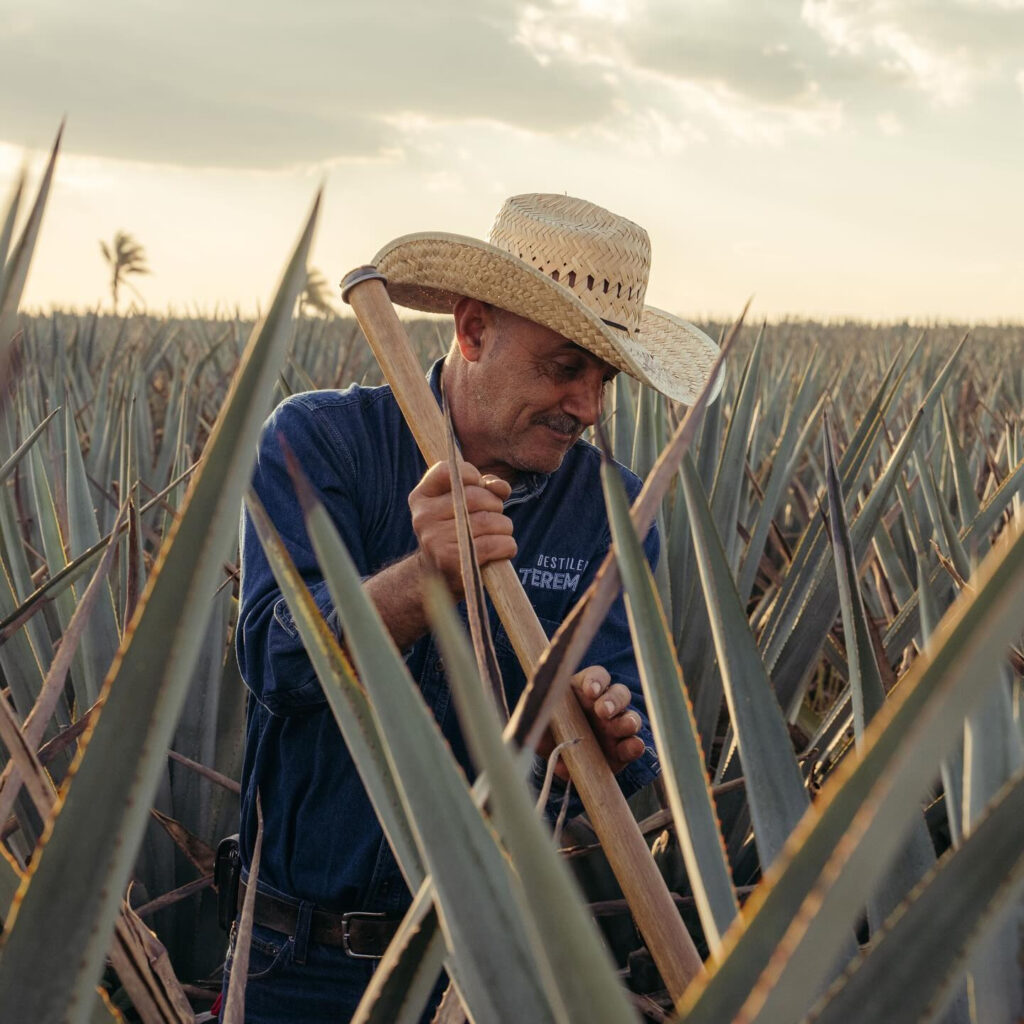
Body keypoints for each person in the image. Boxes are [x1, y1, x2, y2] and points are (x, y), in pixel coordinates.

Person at [219, 194, 721, 1022]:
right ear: (475, 329)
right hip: (297, 961)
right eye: (565, 367)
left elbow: (628, 747)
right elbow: (277, 663)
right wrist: (427, 579)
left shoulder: (613, 511)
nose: (588, 407)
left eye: (605, 378)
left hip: (490, 969)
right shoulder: (320, 443)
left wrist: (612, 733)